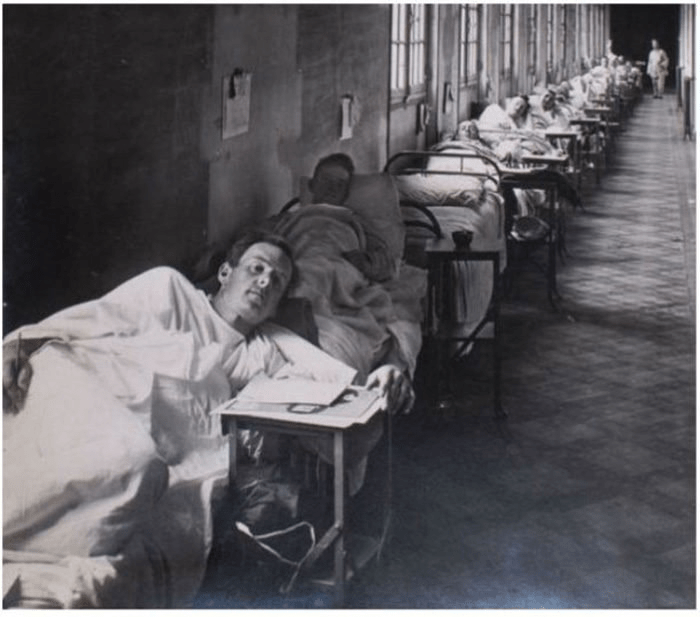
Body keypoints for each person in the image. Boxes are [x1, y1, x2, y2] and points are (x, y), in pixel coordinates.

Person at [306, 152, 396, 283]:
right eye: (326, 180)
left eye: (340, 184)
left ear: (346, 194)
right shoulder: (288, 220)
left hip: (336, 272)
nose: (332, 188)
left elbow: (387, 263)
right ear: (311, 185)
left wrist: (365, 262)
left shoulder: (354, 222)